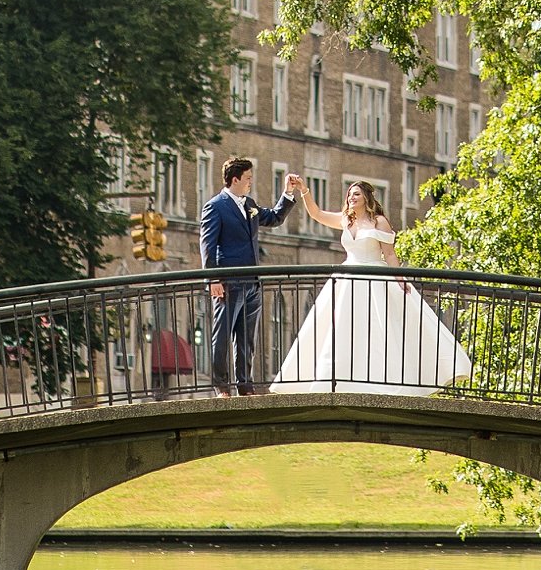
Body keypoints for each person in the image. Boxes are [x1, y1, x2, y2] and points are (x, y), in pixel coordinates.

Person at [272, 181, 473, 394]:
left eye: (356, 194)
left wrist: (399, 278)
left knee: (378, 329)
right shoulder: (346, 220)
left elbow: (390, 254)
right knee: (343, 330)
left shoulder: (379, 222)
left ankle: (383, 382)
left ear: (366, 197)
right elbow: (317, 214)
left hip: (374, 278)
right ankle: (340, 381)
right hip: (347, 280)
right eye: (350, 194)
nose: (351, 198)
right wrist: (304, 191)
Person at [200, 157, 298, 395]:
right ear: (235, 179)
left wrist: (288, 193)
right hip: (229, 282)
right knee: (222, 336)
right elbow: (207, 245)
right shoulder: (215, 206)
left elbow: (274, 217)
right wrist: (212, 279)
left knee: (246, 340)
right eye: (248, 179)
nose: (250, 183)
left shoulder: (250, 204)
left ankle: (246, 386)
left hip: (252, 282)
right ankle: (221, 386)